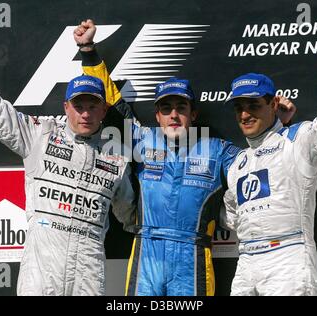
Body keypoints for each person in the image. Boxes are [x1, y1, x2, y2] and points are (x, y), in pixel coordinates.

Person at [74, 20, 295, 296]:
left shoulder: (218, 150)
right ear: (157, 116)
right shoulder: (141, 140)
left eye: (181, 107)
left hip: (193, 257)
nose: (174, 114)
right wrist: (88, 51)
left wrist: (278, 126)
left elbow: (260, 162)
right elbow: (113, 106)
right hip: (147, 252)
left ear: (194, 114)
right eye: (166, 108)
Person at [0, 4, 136, 296]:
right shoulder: (40, 134)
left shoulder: (116, 157)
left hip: (89, 277)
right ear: (65, 107)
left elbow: (132, 216)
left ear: (103, 109)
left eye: (92, 105)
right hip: (41, 275)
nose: (85, 113)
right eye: (78, 105)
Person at [222, 33, 317, 296]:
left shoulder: (297, 139)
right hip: (246, 262)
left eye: (253, 105)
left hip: (288, 258)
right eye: (239, 107)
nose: (244, 114)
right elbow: (232, 216)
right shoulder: (238, 162)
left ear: (273, 103)